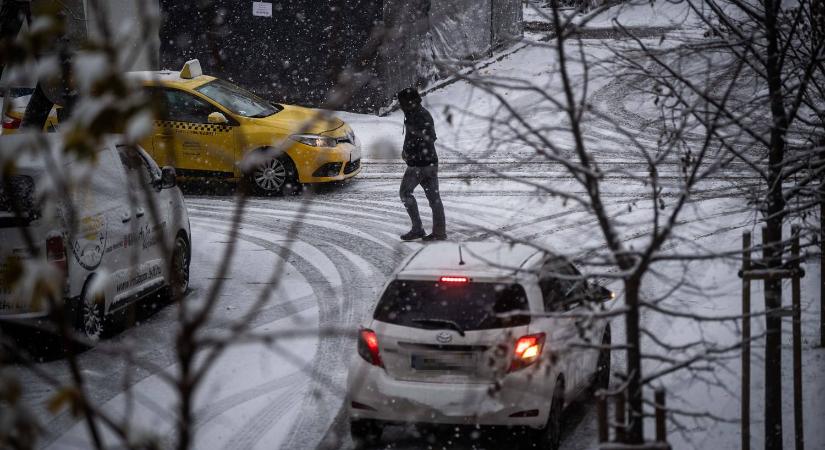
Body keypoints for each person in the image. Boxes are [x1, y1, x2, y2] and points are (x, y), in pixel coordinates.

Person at [397, 87, 446, 241]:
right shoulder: (414, 113)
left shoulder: (420, 115)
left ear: (408, 101)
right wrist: (407, 150)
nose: (400, 105)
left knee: (405, 193)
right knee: (434, 199)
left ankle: (418, 229)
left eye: (402, 102)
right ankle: (439, 233)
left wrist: (411, 152)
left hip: (419, 164)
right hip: (429, 162)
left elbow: (429, 137)